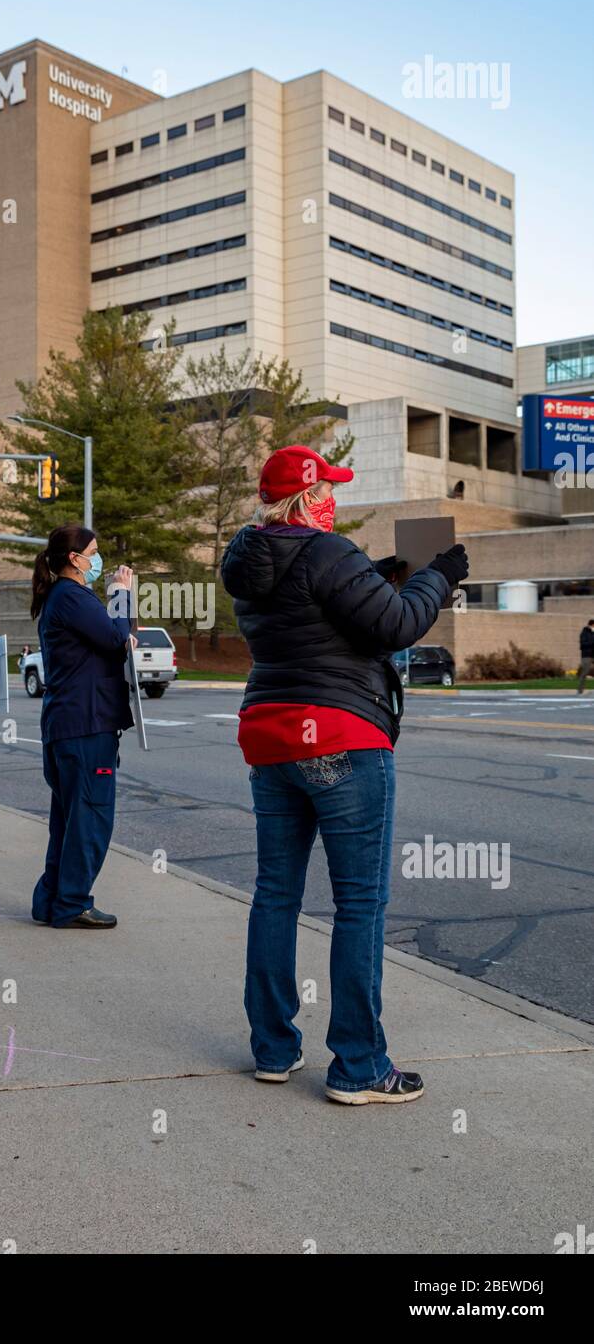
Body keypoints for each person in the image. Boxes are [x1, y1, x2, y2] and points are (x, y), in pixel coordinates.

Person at [221, 445, 469, 1106]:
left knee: (276, 893)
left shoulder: (247, 560)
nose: (336, 499)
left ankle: (273, 1048)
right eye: (327, 489)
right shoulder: (328, 553)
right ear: (307, 498)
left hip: (272, 736)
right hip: (339, 737)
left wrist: (372, 577)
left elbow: (320, 620)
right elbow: (399, 626)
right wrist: (438, 576)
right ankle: (358, 1063)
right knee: (358, 901)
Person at [30, 524, 134, 929]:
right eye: (93, 551)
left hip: (69, 724)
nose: (98, 557)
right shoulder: (72, 596)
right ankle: (71, 903)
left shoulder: (62, 597)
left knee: (70, 819)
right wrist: (122, 594)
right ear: (75, 559)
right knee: (90, 818)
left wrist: (122, 628)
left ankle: (52, 899)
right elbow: (114, 636)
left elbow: (111, 639)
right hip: (85, 727)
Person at [576, 619, 594, 695]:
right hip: (587, 655)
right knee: (584, 672)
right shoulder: (584, 633)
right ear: (591, 625)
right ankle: (580, 691)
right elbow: (583, 644)